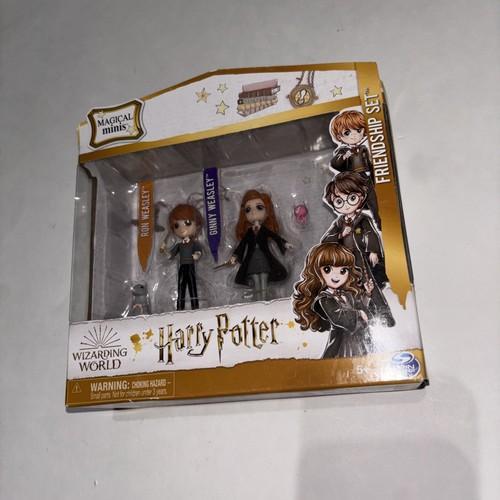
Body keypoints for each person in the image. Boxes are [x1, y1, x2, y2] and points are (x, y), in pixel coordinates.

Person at [322, 172, 395, 327]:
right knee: (352, 290)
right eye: (339, 201)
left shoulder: (363, 219)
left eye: (352, 198)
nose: (346, 205)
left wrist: (373, 251)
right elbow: (326, 241)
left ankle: (384, 316)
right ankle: (362, 317)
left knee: (371, 287)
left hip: (361, 259)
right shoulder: (339, 223)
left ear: (360, 197)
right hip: (345, 263)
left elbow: (371, 234)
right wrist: (341, 235)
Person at [293, 242, 373, 358]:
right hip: (341, 343)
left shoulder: (347, 294)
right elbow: (338, 317)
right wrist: (359, 314)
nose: (336, 276)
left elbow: (359, 307)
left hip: (357, 340)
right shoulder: (324, 298)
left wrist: (367, 294)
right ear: (317, 271)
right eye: (327, 269)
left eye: (343, 271)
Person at [229, 190, 292, 301]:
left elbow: (275, 237)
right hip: (252, 259)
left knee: (264, 278)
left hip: (263, 258)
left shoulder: (264, 230)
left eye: (259, 207)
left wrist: (285, 244)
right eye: (248, 210)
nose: (253, 212)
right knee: (255, 280)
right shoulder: (249, 232)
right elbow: (242, 245)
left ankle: (264, 299)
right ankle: (258, 300)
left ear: (267, 211)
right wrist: (235, 256)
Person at [329, 110, 381, 228]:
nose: (354, 135)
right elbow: (335, 163)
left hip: (366, 178)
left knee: (374, 202)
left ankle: (379, 222)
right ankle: (354, 224)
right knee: (353, 204)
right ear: (339, 136)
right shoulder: (342, 151)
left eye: (358, 130)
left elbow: (369, 164)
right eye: (347, 132)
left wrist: (374, 176)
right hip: (353, 181)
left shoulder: (363, 148)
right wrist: (344, 157)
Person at [160, 204, 203, 310]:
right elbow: (171, 255)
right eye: (176, 225)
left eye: (187, 223)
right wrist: (164, 250)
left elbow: (199, 251)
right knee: (181, 286)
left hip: (190, 266)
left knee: (192, 286)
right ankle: (180, 307)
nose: (182, 228)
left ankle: (195, 306)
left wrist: (197, 255)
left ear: (197, 224)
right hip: (182, 267)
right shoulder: (179, 245)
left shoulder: (194, 243)